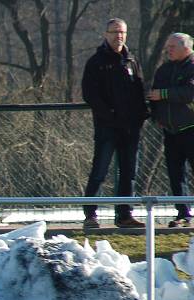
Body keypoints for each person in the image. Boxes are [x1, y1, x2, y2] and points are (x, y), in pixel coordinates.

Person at [81, 18, 149, 229]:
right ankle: (91, 215)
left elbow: (139, 90)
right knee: (99, 171)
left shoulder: (131, 61)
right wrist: (109, 115)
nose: (119, 36)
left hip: (130, 129)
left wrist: (141, 115)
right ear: (106, 34)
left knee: (129, 173)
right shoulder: (96, 62)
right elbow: (90, 94)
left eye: (122, 32)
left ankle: (124, 214)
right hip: (107, 128)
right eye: (114, 32)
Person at [148, 33, 194, 228]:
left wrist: (164, 94)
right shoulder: (164, 70)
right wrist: (156, 116)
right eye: (167, 46)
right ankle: (183, 213)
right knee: (176, 174)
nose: (168, 50)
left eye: (172, 46)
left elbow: (189, 93)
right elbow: (153, 95)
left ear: (185, 47)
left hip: (190, 128)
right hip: (170, 131)